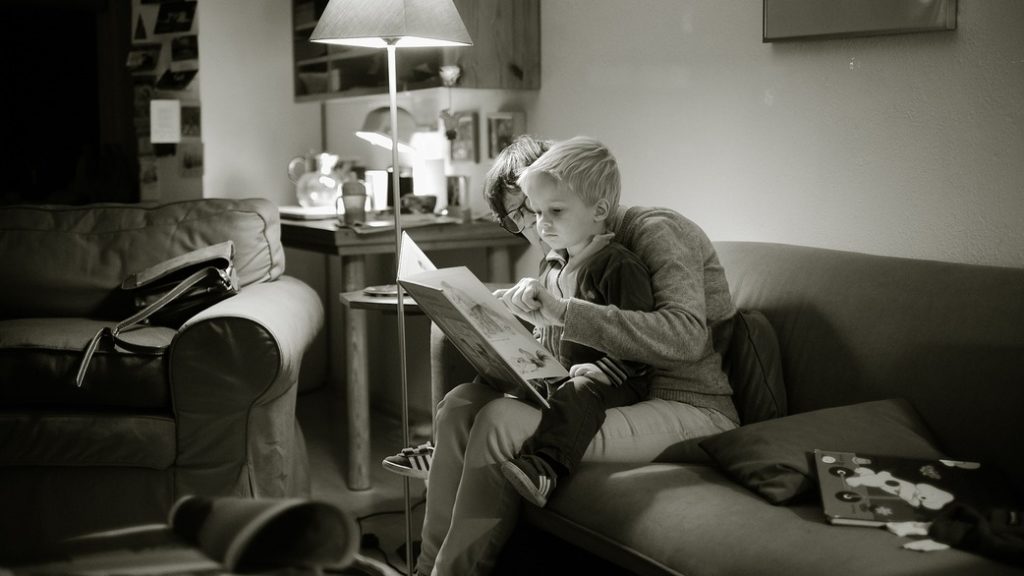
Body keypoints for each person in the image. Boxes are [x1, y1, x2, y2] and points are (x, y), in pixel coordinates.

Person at [398, 135, 741, 576]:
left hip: (687, 401)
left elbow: (686, 338)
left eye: (535, 210)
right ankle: (426, 567)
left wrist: (563, 313)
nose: (532, 228)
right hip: (611, 395)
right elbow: (566, 351)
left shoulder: (652, 232)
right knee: (462, 403)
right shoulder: (567, 252)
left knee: (500, 421)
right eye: (522, 215)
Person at [499, 137, 655, 507]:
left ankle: (545, 468)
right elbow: (548, 330)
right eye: (536, 213)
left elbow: (639, 339)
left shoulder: (618, 265)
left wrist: (604, 370)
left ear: (599, 209)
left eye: (556, 211)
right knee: (501, 379)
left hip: (615, 379)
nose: (542, 224)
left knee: (579, 390)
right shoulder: (552, 264)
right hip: (562, 371)